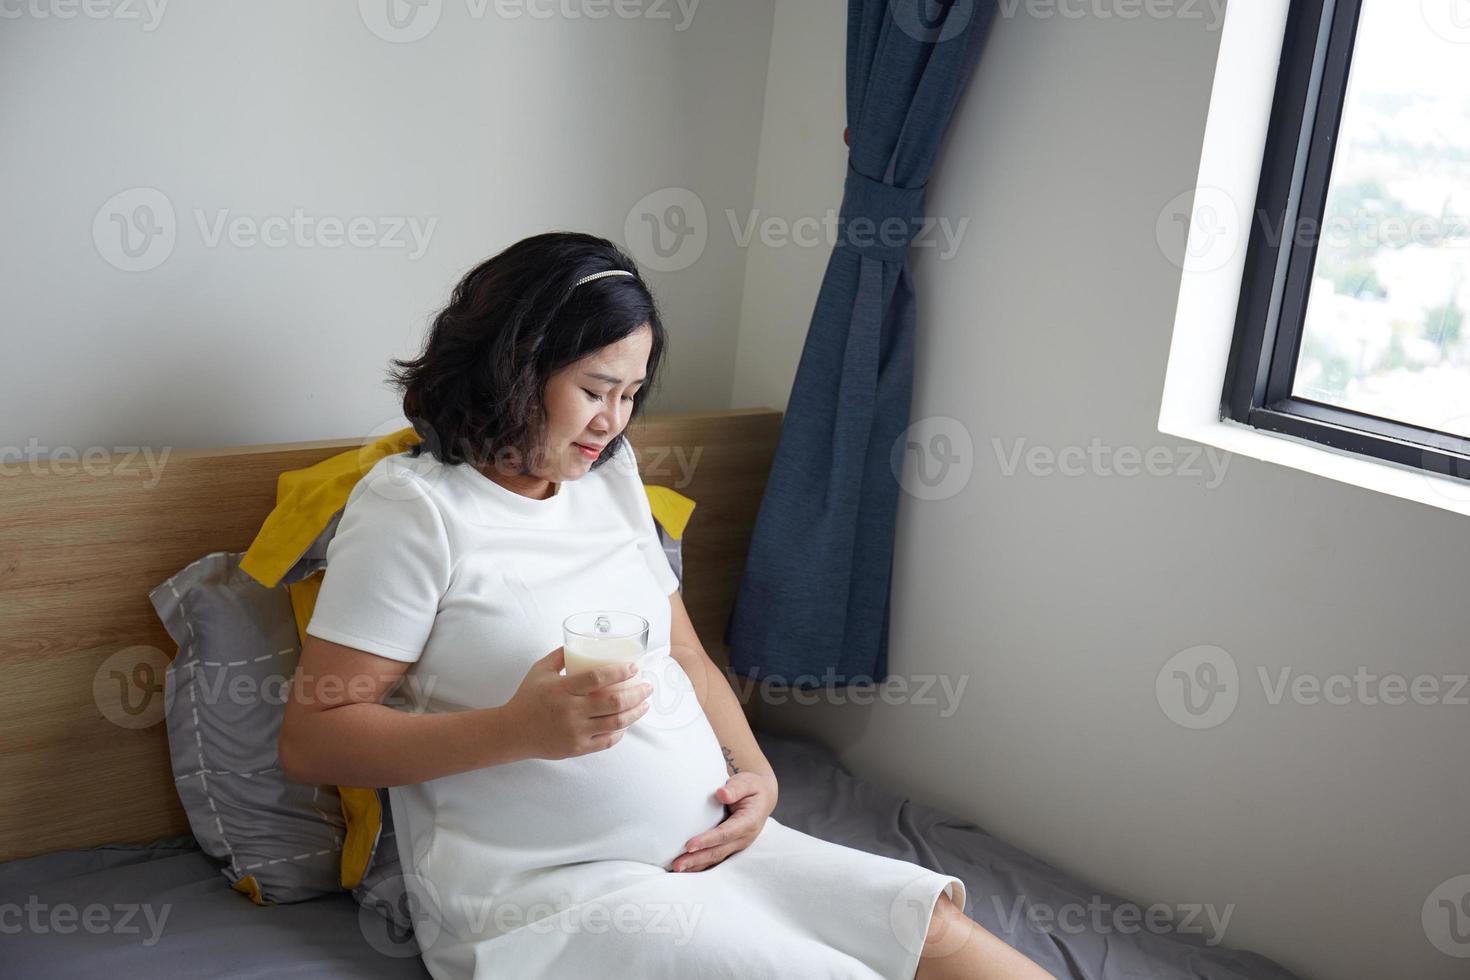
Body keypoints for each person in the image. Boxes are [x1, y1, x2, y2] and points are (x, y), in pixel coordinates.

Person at [278, 231, 1053, 979]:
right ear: (511, 367)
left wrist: (756, 775)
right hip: (555, 895)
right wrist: (514, 730)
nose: (612, 422)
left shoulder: (609, 476)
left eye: (630, 394)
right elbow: (314, 739)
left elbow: (683, 657)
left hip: (718, 845)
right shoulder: (414, 510)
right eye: (592, 389)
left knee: (933, 931)